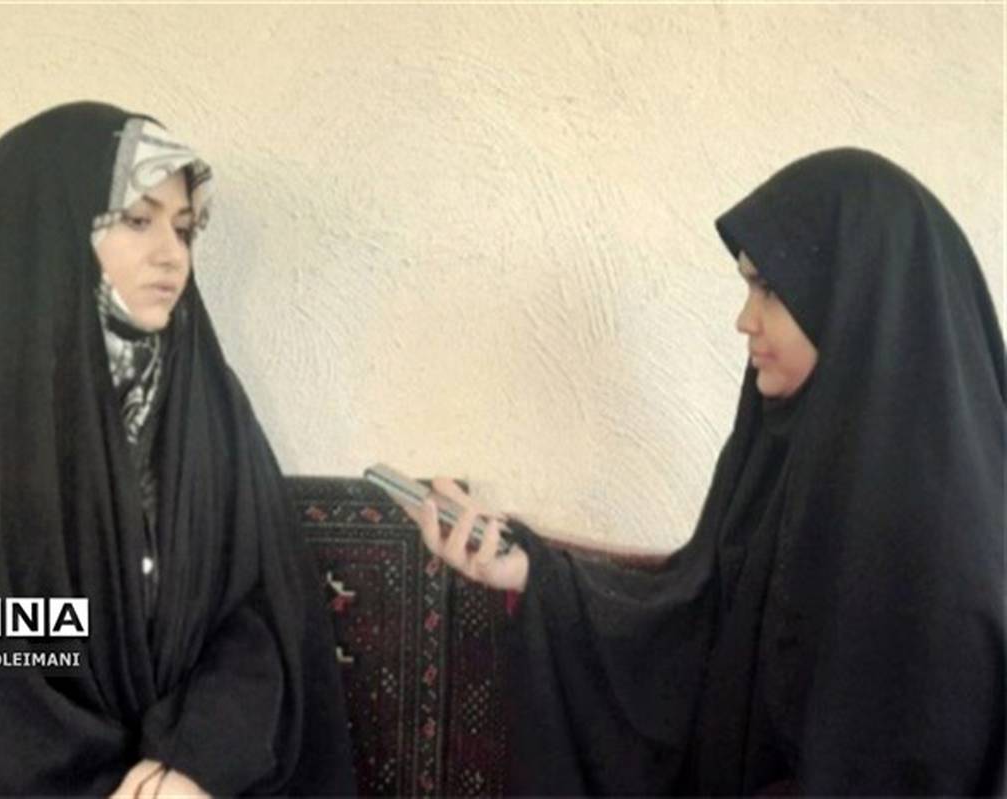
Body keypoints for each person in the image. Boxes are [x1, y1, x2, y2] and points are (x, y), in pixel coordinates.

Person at [403, 149, 1005, 795]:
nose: (745, 319)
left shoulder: (947, 543)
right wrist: (531, 571)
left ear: (856, 300)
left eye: (769, 289)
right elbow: (697, 625)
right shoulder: (782, 459)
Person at [0, 102, 356, 796]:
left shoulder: (205, 406)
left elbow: (255, 613)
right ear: (49, 229)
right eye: (136, 219)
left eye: (183, 227)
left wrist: (194, 759)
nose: (172, 254)